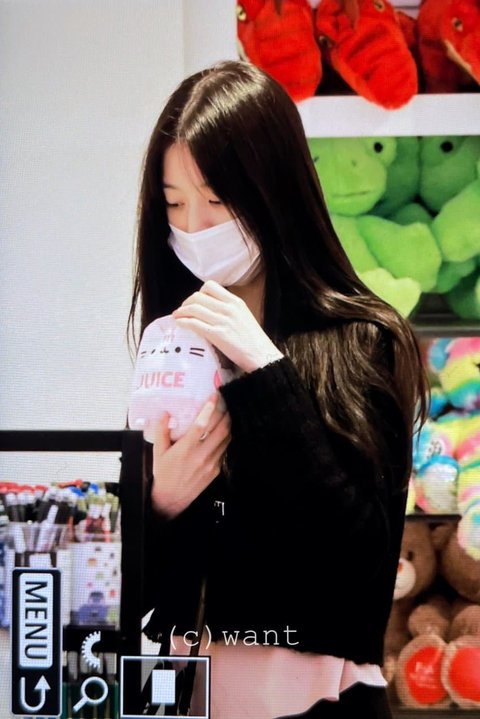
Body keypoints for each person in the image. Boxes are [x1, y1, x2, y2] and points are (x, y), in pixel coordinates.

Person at [128, 59, 428, 719]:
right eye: (174, 204)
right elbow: (135, 590)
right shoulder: (173, 342)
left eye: (216, 200)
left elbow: (361, 568)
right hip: (181, 691)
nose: (194, 228)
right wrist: (154, 505)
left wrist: (266, 372)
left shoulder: (364, 340)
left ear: (276, 190)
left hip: (315, 696)